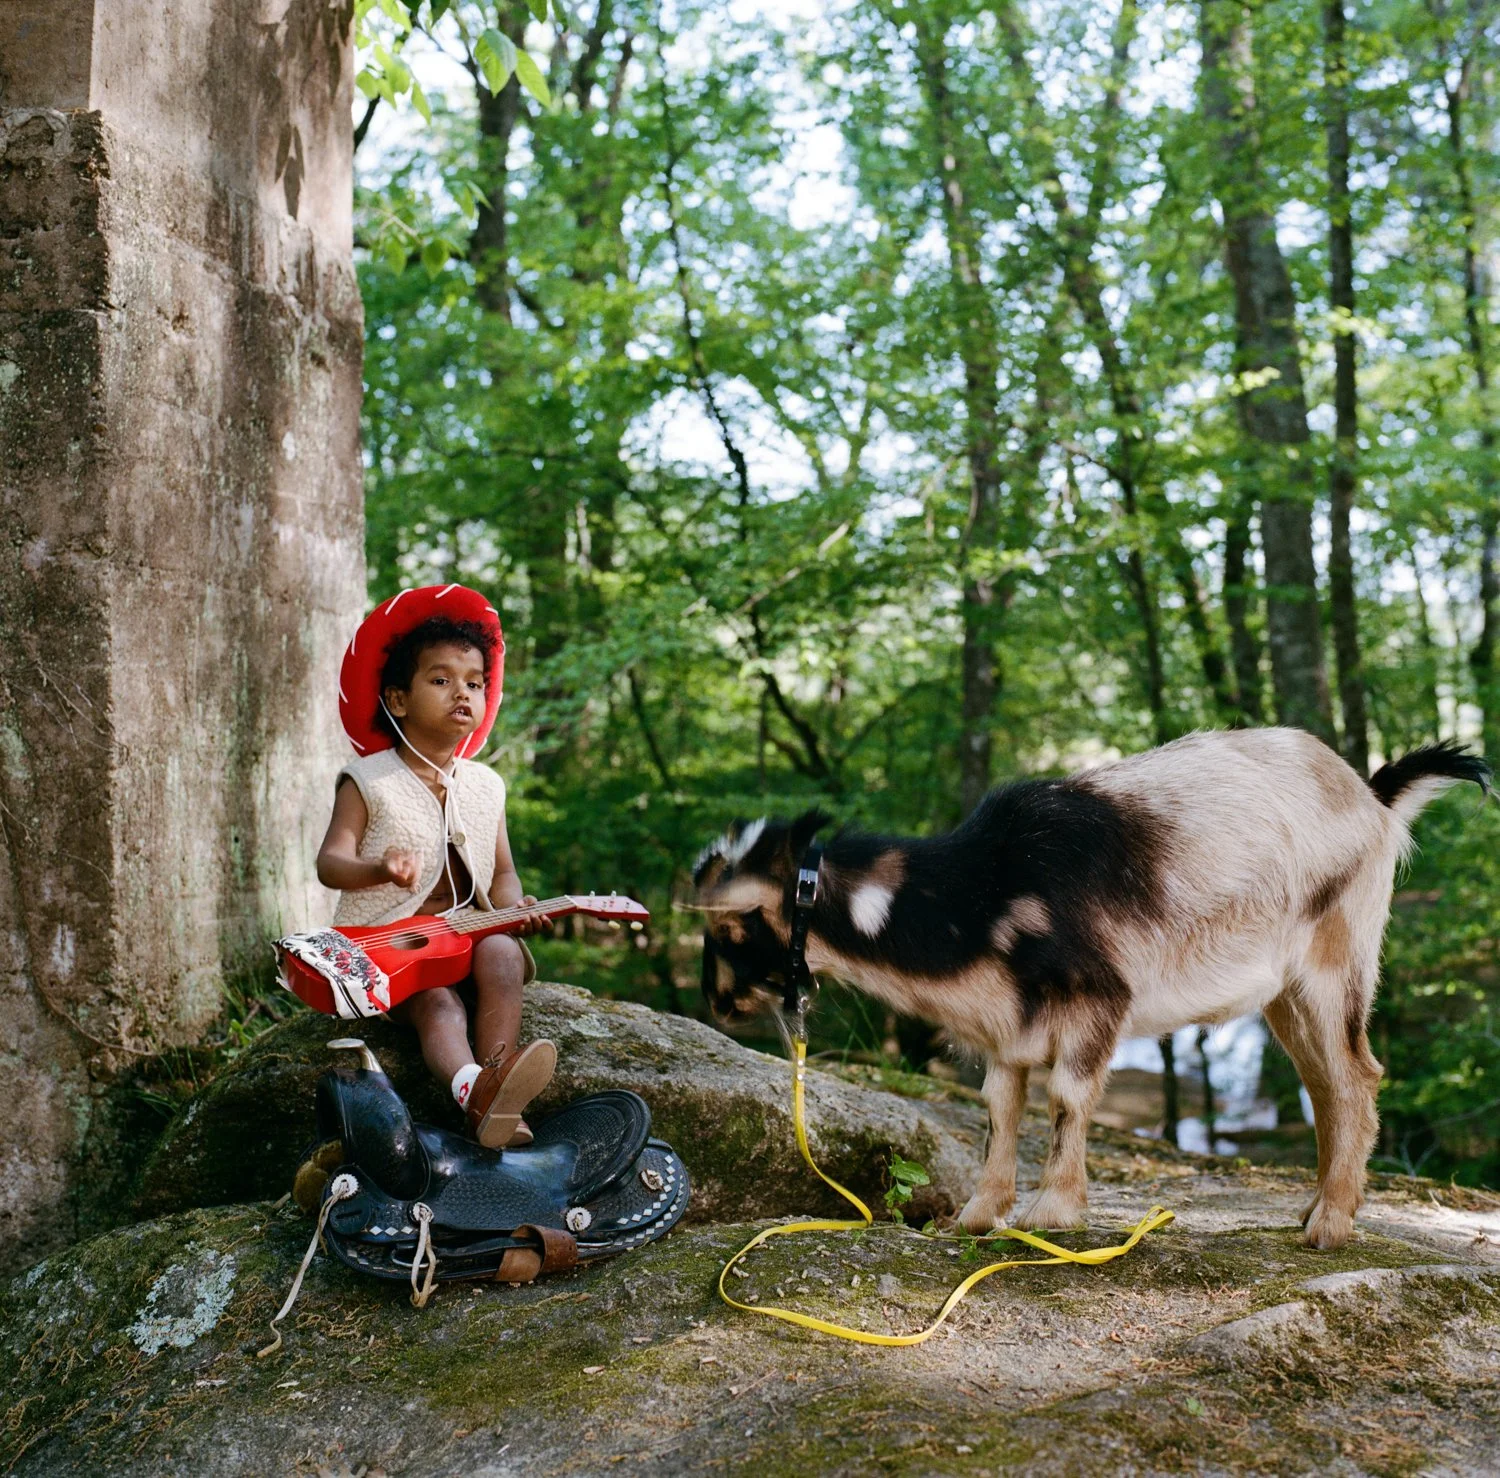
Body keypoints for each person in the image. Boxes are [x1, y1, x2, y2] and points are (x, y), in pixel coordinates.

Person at [315, 585, 556, 1149]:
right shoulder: (368, 779)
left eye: (475, 683)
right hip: (392, 947)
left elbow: (501, 873)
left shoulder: (485, 786)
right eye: (441, 680)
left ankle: (499, 1085)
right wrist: (378, 869)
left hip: (464, 933)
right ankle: (471, 1087)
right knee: (438, 1001)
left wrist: (511, 909)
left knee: (501, 955)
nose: (462, 693)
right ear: (398, 699)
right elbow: (331, 862)